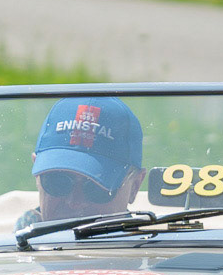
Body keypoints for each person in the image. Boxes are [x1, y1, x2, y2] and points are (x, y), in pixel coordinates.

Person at [15, 96, 145, 230]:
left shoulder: (153, 247)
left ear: (135, 186)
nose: (74, 202)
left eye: (96, 188)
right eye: (58, 182)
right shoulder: (13, 242)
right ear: (37, 178)